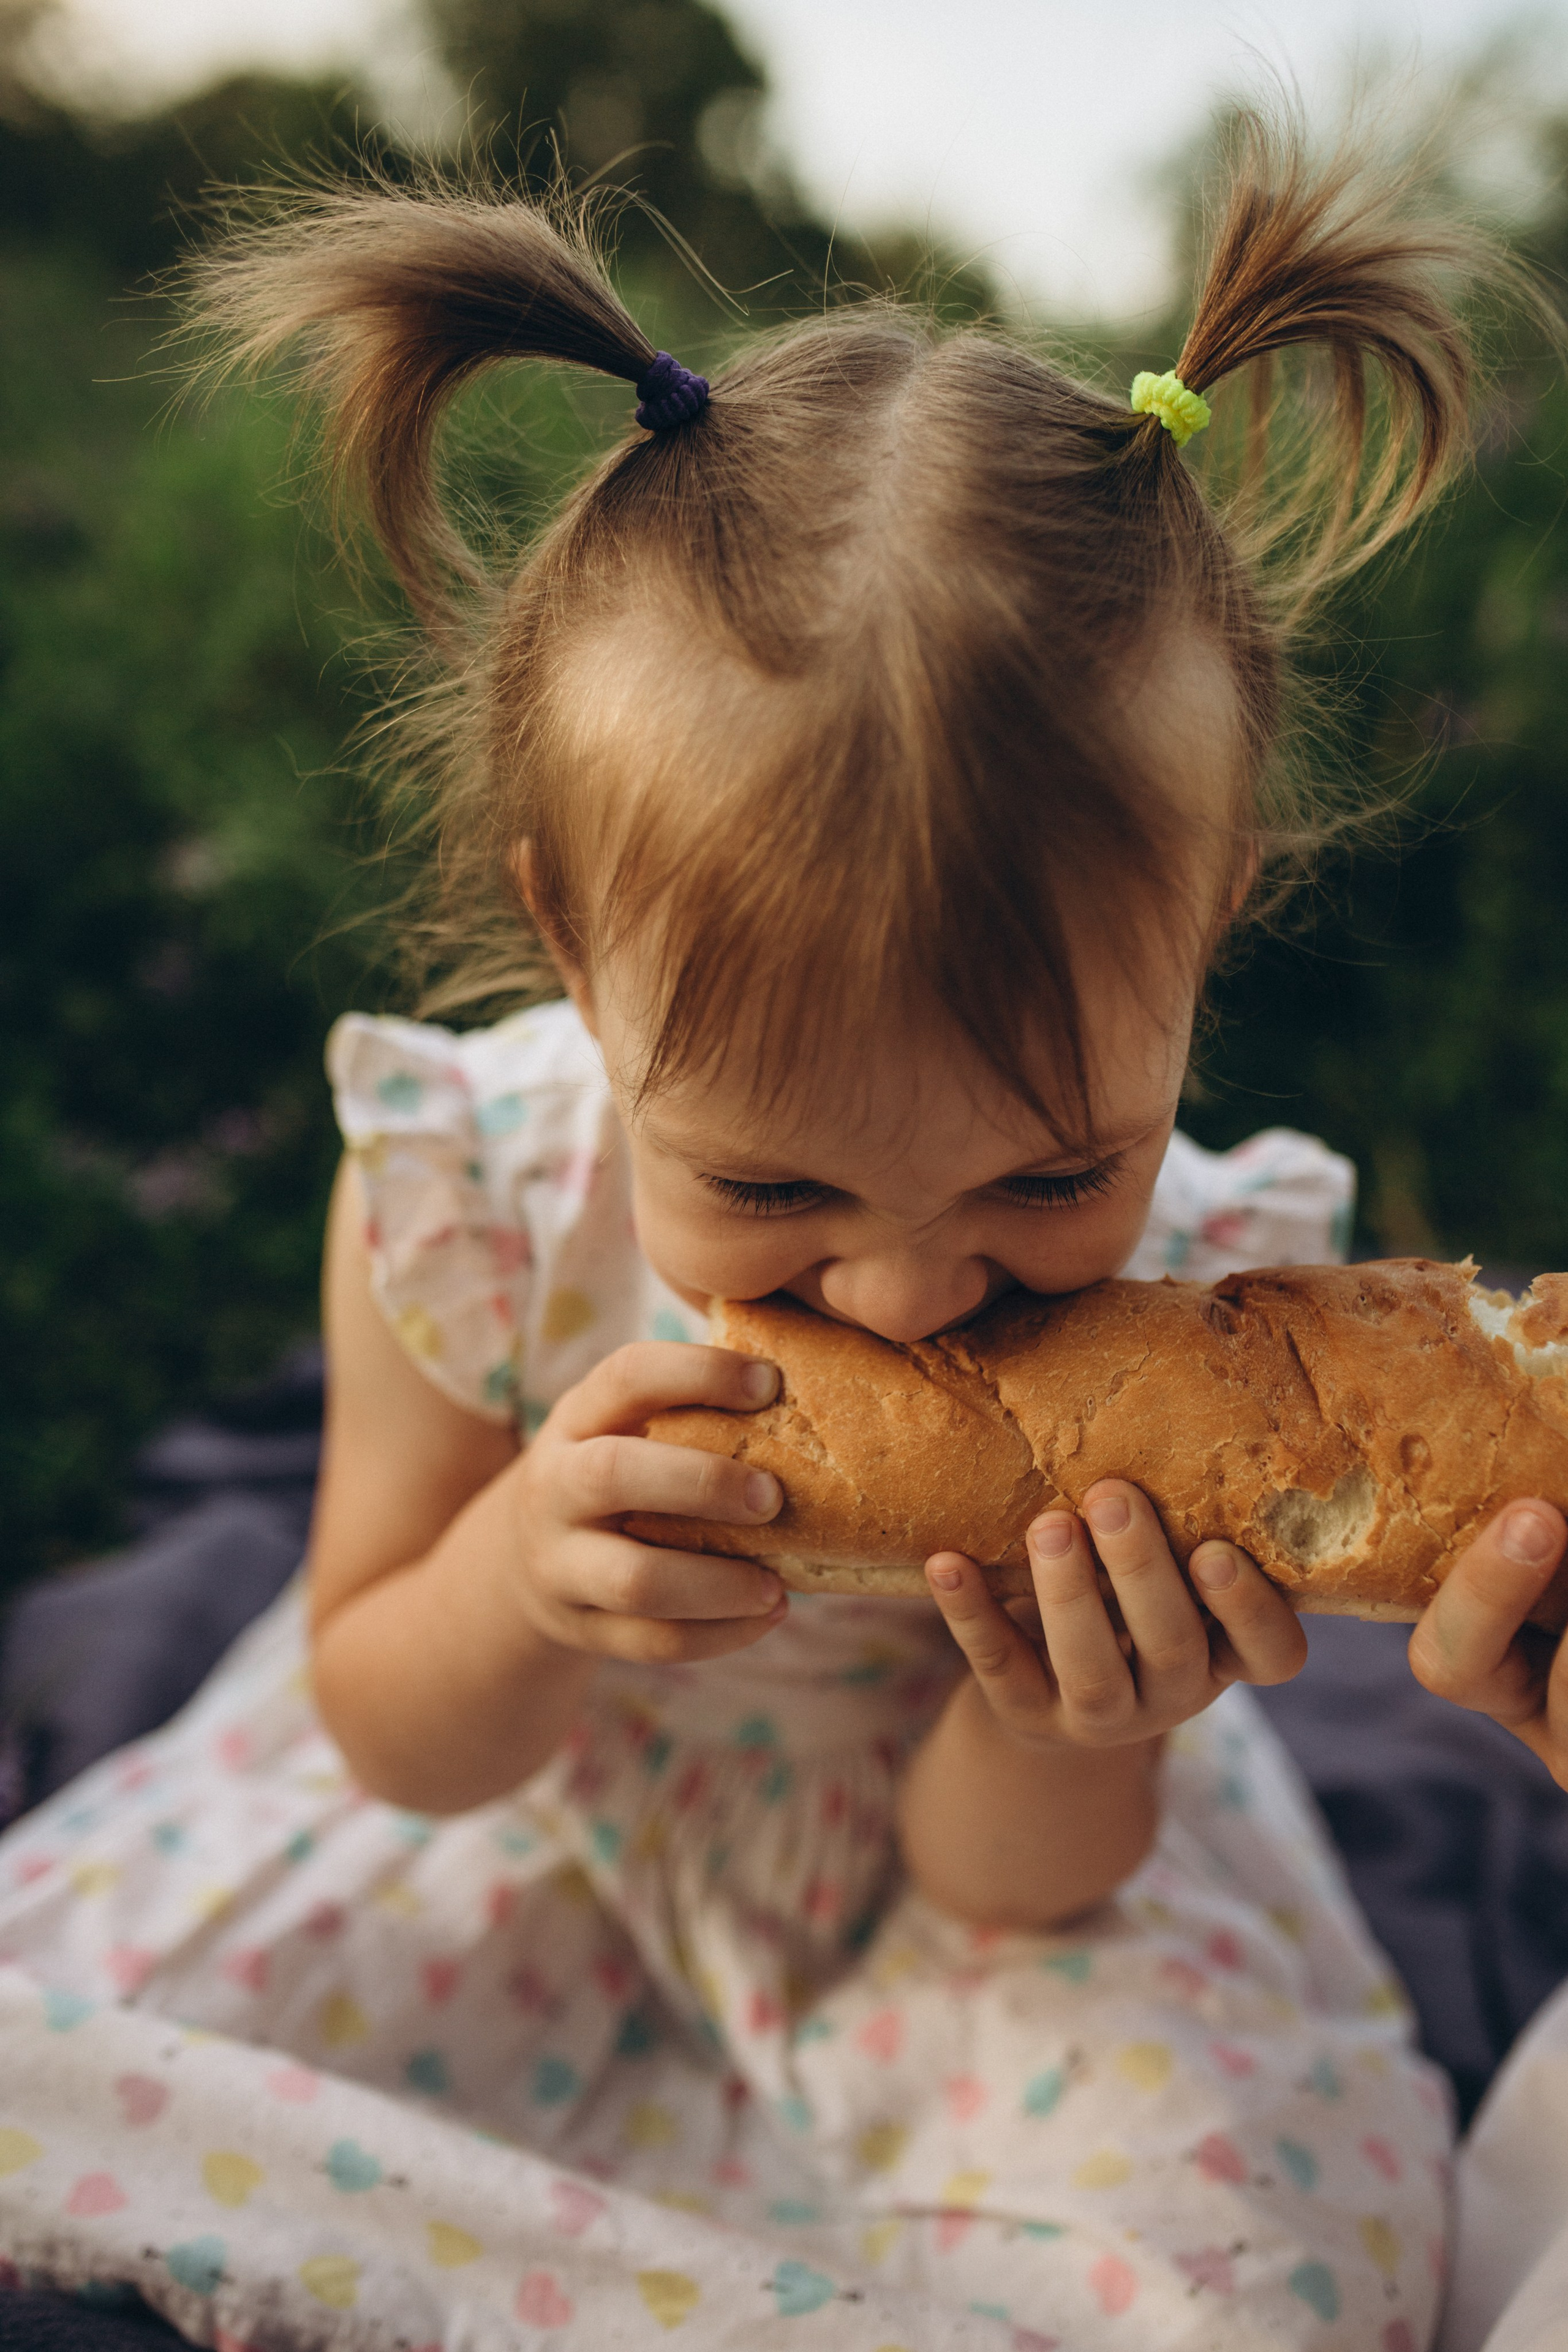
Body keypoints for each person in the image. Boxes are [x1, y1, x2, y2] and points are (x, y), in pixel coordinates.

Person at [0, 115, 1561, 2352]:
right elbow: (386, 1730)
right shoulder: (475, 1207)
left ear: (1210, 930)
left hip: (955, 1930)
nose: (913, 1293)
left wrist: (1074, 1728)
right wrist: (519, 1581)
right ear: (574, 945)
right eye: (767, 1187)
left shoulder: (1224, 1300)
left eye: (1050, 1178)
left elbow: (1000, 1890)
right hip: (507, 1838)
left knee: (1249, 2278)